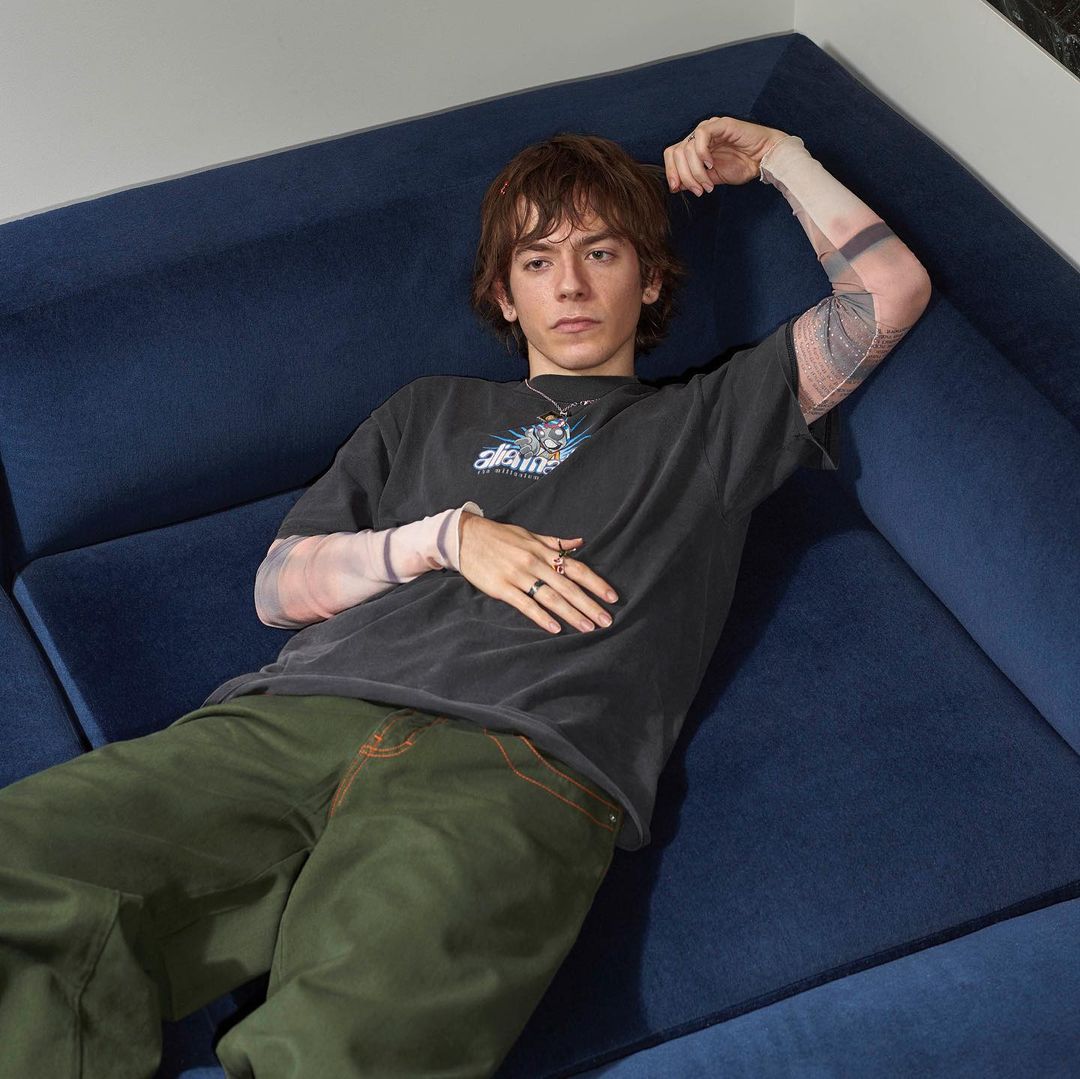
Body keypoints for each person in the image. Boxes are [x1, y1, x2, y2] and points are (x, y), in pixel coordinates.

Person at [0, 115, 931, 1079]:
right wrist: (445, 538)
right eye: (537, 261)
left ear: (650, 279)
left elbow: (887, 293)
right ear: (503, 293)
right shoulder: (425, 410)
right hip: (295, 717)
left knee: (350, 1052)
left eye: (601, 253)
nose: (570, 286)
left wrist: (779, 159)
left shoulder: (710, 421)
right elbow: (278, 587)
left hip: (513, 762)